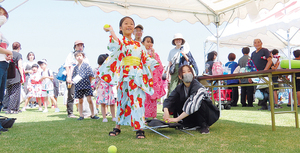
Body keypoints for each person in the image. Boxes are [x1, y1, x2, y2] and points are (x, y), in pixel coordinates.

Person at [101, 16, 158, 139]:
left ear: (134, 28)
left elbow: (145, 59)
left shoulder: (139, 45)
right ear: (121, 28)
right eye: (126, 23)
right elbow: (116, 44)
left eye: (131, 24)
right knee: (122, 100)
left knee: (137, 101)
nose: (129, 25)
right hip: (124, 76)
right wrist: (111, 31)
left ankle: (139, 128)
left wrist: (152, 62)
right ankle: (118, 126)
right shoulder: (121, 42)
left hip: (137, 77)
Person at [163, 65, 219, 134]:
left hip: (205, 114)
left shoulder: (198, 86)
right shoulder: (179, 88)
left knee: (200, 101)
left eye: (189, 71)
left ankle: (204, 125)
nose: (187, 73)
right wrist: (166, 112)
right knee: (177, 99)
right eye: (184, 72)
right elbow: (170, 99)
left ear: (192, 74)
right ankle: (187, 123)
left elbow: (193, 104)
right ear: (180, 77)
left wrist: (176, 119)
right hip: (190, 114)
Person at [142, 36, 165, 119]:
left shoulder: (155, 54)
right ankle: (143, 116)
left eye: (151, 42)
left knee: (152, 98)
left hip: (153, 79)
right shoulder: (141, 53)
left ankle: (153, 116)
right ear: (143, 43)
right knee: (144, 98)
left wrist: (153, 55)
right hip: (143, 79)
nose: (149, 44)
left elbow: (159, 66)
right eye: (147, 41)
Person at [64, 40, 89, 118]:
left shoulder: (85, 56)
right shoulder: (71, 55)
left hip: (81, 79)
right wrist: (68, 77)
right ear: (75, 47)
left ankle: (84, 112)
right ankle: (70, 113)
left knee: (83, 96)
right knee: (71, 95)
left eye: (81, 45)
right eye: (78, 45)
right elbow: (67, 65)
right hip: (72, 78)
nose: (80, 47)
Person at [72, 51, 99, 120]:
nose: (79, 57)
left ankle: (93, 114)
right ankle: (81, 115)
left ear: (83, 57)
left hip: (87, 85)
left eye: (80, 55)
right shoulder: (75, 68)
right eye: (77, 56)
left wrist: (89, 84)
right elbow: (74, 78)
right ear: (75, 58)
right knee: (80, 101)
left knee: (89, 100)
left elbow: (91, 75)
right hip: (78, 86)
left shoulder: (87, 65)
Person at [93, 54, 116, 122]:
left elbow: (113, 78)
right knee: (103, 103)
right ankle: (104, 117)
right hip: (102, 88)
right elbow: (96, 79)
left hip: (108, 88)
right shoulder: (98, 70)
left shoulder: (109, 69)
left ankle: (113, 117)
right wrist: (93, 86)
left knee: (112, 103)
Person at [3, 42, 24, 114]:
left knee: (8, 93)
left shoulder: (7, 53)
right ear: (19, 48)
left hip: (8, 74)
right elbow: (20, 66)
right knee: (15, 92)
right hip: (15, 75)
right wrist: (22, 77)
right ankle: (11, 109)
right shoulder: (18, 55)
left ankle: (5, 107)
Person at [251, 39, 272, 110]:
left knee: (267, 90)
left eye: (258, 42)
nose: (257, 44)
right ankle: (263, 105)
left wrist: (265, 71)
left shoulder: (265, 51)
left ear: (261, 43)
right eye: (255, 43)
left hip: (265, 74)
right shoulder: (253, 53)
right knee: (259, 91)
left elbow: (270, 61)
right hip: (256, 75)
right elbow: (251, 65)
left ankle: (271, 105)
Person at [0, 6, 13, 112]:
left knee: (1, 95)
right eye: (0, 13)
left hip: (4, 63)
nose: (2, 17)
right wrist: (9, 52)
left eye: (4, 14)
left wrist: (7, 55)